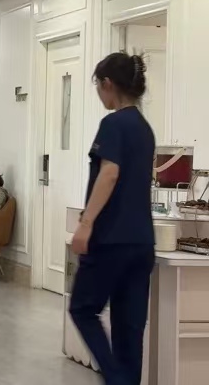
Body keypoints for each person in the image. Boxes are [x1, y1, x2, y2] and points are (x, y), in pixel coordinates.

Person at [69, 53, 155, 385]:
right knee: (129, 328)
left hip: (111, 240)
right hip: (141, 242)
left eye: (97, 85)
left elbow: (110, 173)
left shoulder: (114, 124)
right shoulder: (145, 129)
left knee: (82, 308)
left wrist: (86, 223)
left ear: (107, 84)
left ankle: (116, 378)